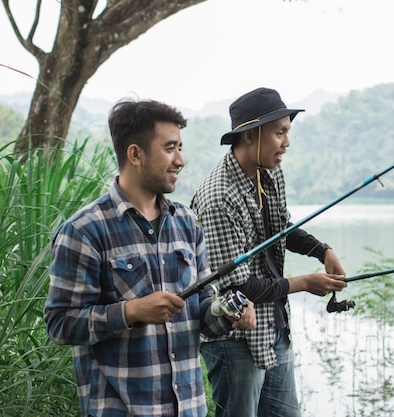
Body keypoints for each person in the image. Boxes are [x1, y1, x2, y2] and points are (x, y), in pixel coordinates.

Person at [44, 98, 256, 417]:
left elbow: (203, 313)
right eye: (170, 148)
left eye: (180, 147)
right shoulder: (84, 230)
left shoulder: (187, 223)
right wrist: (130, 311)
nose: (180, 160)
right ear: (135, 154)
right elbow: (60, 325)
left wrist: (228, 315)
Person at [190, 87, 347, 417]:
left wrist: (323, 251)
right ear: (250, 135)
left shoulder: (269, 171)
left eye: (287, 132)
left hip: (273, 326)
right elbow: (237, 286)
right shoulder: (219, 197)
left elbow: (281, 228)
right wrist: (304, 283)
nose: (286, 143)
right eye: (280, 133)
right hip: (234, 336)